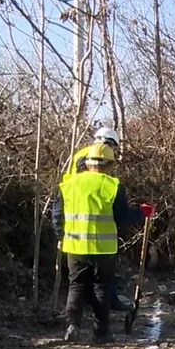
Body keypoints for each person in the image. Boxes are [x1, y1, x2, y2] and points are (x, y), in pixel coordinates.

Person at [51, 143, 150, 343]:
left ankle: (73, 325)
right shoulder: (113, 186)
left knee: (76, 285)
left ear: (87, 163)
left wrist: (61, 236)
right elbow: (121, 218)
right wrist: (142, 212)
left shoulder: (68, 184)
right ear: (109, 164)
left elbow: (57, 215)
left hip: (75, 246)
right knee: (101, 287)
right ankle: (101, 333)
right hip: (103, 248)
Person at [61, 127, 132, 312]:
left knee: (79, 281)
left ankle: (77, 320)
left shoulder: (83, 154)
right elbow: (95, 186)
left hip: (76, 222)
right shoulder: (90, 156)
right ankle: (102, 320)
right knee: (100, 280)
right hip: (88, 218)